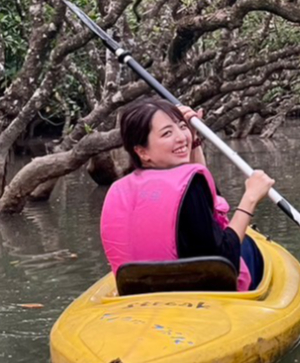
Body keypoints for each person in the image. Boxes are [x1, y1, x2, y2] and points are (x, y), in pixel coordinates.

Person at [99, 97, 275, 290]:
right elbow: (224, 259)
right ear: (142, 152)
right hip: (202, 291)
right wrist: (250, 198)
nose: (181, 137)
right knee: (248, 246)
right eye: (167, 133)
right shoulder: (190, 186)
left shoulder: (119, 188)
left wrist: (194, 139)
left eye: (181, 127)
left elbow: (207, 201)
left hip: (138, 290)